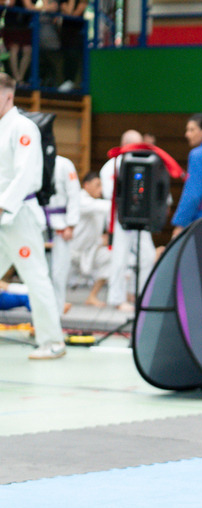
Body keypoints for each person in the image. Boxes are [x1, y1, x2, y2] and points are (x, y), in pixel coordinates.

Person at [0, 73, 65, 359]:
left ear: (8, 96)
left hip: (19, 215)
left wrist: (3, 206)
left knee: (35, 277)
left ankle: (53, 342)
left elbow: (26, 175)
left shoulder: (23, 127)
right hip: (4, 214)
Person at [101, 129, 157, 312]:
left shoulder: (144, 163)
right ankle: (117, 299)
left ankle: (140, 295)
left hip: (140, 217)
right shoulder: (112, 165)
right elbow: (110, 194)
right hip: (121, 218)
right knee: (120, 258)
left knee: (148, 256)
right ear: (126, 144)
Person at [46, 154, 82, 314]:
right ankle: (42, 313)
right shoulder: (31, 160)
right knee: (40, 274)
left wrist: (71, 224)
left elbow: (74, 195)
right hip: (37, 223)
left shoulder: (64, 164)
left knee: (59, 274)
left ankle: (57, 312)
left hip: (61, 226)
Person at [73, 172, 112, 307]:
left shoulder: (98, 203)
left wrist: (103, 240)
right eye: (97, 185)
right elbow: (105, 207)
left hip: (90, 250)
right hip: (72, 250)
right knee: (57, 277)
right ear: (86, 185)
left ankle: (92, 296)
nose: (100, 189)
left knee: (110, 257)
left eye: (101, 185)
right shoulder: (80, 199)